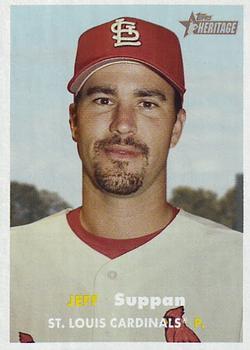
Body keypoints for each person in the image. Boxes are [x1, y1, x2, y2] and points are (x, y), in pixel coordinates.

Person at [10, 16, 242, 343]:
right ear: (74, 121)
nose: (123, 124)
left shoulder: (238, 266)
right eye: (103, 100)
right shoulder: (11, 258)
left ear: (176, 127)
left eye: (147, 103)